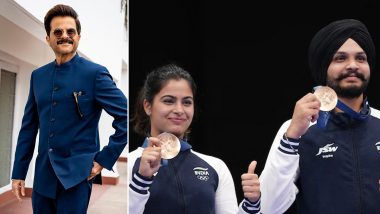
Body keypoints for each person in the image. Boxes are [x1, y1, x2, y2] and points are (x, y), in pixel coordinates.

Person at [11, 4, 128, 213]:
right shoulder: (38, 76)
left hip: (77, 177)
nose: (64, 36)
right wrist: (18, 172)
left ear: (79, 37)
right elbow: (29, 127)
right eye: (57, 32)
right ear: (48, 38)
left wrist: (104, 159)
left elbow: (127, 117)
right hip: (43, 177)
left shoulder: (95, 74)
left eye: (70, 31)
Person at [259, 19, 380, 213]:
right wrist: (291, 138)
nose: (353, 65)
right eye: (340, 58)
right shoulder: (297, 129)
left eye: (361, 58)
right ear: (324, 67)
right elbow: (267, 208)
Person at [128, 63, 261, 214]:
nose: (179, 110)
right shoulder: (132, 163)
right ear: (148, 106)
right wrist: (142, 180)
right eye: (168, 101)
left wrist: (252, 205)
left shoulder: (216, 167)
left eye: (187, 102)